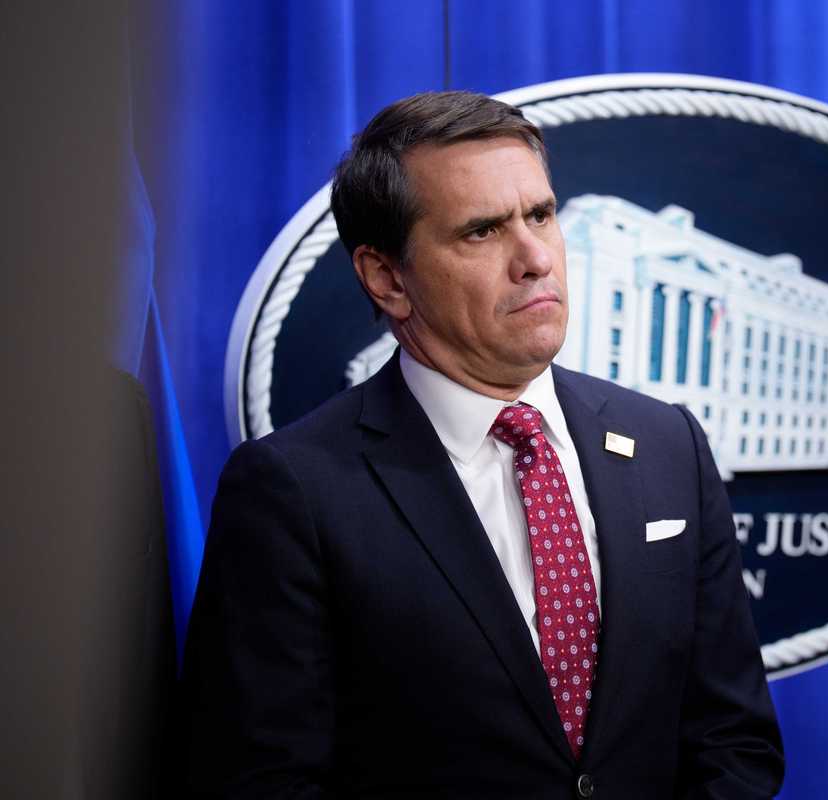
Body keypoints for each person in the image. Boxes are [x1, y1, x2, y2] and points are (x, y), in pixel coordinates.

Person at [179, 91, 784, 799]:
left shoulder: (666, 443)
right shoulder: (294, 490)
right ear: (386, 277)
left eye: (541, 215)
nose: (534, 259)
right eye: (481, 232)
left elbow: (733, 739)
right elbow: (261, 779)